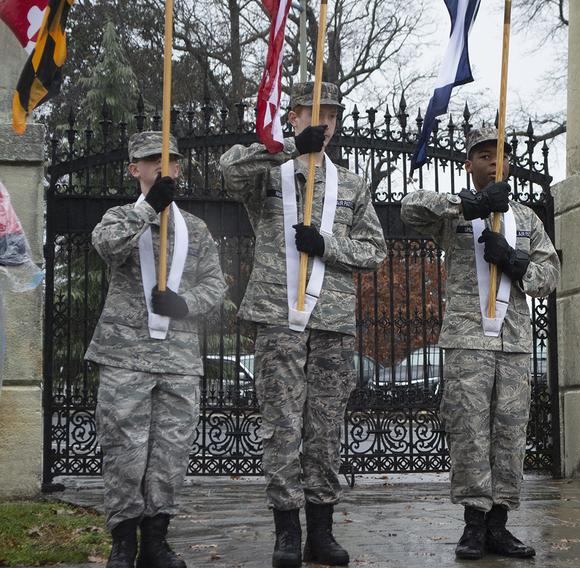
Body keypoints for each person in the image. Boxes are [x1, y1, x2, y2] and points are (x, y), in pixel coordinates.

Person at [219, 82, 387, 567]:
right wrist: (291, 148)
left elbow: (375, 251)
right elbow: (229, 170)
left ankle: (322, 531)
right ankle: (286, 532)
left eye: (331, 115)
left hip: (332, 321)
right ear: (292, 116)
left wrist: (328, 245)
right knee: (282, 426)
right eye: (314, 113)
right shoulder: (272, 173)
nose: (324, 122)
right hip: (278, 318)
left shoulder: (352, 185)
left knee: (325, 428)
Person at [400, 127, 560, 560]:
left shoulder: (526, 219)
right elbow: (410, 209)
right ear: (468, 165)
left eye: (499, 156)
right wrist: (470, 205)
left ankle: (499, 525)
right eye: (482, 156)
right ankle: (473, 523)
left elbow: (549, 277)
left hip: (512, 344)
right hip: (468, 340)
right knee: (469, 431)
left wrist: (512, 259)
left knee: (509, 434)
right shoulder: (455, 215)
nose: (492, 162)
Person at [86, 131, 227, 568]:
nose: (163, 167)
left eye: (171, 161)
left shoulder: (196, 230)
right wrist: (149, 208)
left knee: (170, 454)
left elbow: (216, 285)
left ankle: (157, 542)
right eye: (153, 161)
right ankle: (123, 542)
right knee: (125, 452)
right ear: (135, 169)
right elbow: (107, 247)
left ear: (179, 168)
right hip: (125, 356)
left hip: (179, 361)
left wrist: (188, 304)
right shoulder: (119, 216)